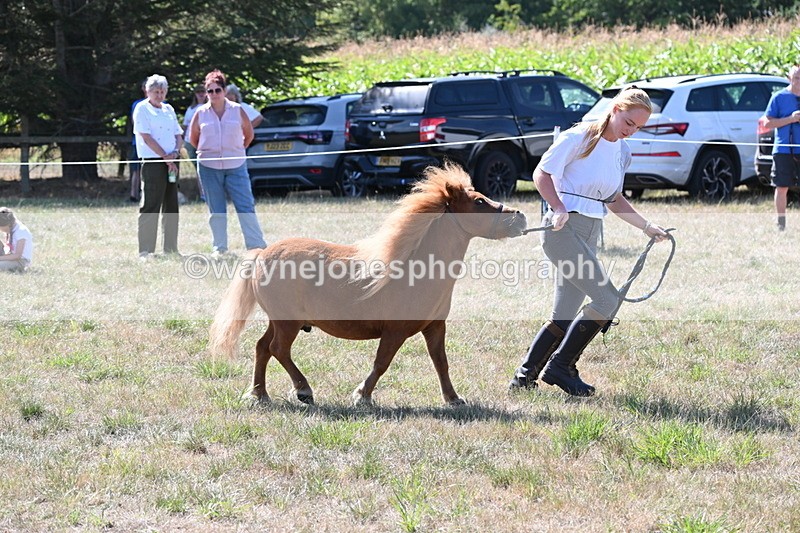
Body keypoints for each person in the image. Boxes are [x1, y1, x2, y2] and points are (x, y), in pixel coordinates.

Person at [508, 86, 668, 397]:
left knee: (564, 312)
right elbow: (542, 174)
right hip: (562, 231)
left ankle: (523, 378)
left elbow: (613, 198)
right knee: (607, 300)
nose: (631, 131)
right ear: (616, 109)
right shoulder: (577, 137)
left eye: (638, 128)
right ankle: (561, 367)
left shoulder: (622, 151)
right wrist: (558, 207)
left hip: (590, 231)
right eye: (629, 123)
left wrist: (647, 226)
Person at [189, 70, 267, 259]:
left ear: (224, 90)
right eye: (210, 91)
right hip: (209, 167)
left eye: (217, 90)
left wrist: (237, 150)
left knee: (245, 206)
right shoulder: (200, 113)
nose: (214, 94)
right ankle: (220, 248)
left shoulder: (237, 110)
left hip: (236, 165)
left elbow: (248, 135)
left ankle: (256, 246)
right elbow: (193, 139)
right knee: (216, 209)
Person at [133, 74, 184, 259]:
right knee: (150, 204)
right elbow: (146, 137)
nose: (160, 95)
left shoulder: (168, 109)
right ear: (148, 91)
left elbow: (179, 134)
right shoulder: (142, 109)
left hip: (172, 161)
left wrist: (175, 154)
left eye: (163, 91)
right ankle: (145, 250)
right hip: (154, 162)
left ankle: (171, 249)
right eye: (156, 92)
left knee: (172, 205)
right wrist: (165, 157)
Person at [761, 65, 800, 231]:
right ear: (789, 79)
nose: (799, 81)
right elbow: (767, 123)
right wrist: (791, 119)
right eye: (797, 78)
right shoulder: (779, 97)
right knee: (782, 186)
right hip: (784, 150)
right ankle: (781, 224)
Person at [182, 85, 207, 201]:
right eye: (198, 92)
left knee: (206, 167)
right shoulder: (191, 109)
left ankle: (208, 193)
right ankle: (202, 194)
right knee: (198, 168)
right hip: (190, 142)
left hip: (205, 141)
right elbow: (185, 126)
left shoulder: (210, 107)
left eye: (203, 92)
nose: (201, 94)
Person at [128, 81, 147, 202]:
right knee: (136, 169)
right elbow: (134, 122)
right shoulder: (137, 104)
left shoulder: (164, 105)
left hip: (158, 145)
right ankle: (133, 194)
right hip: (138, 143)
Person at [0, 207, 33, 272]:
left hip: (20, 261)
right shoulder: (12, 228)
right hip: (10, 256)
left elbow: (17, 256)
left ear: (7, 224)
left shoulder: (21, 231)